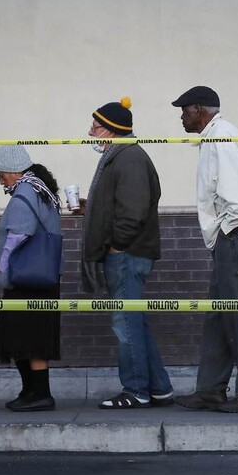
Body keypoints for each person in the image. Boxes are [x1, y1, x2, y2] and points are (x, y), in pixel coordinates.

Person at [171, 86, 238, 413]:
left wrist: (225, 233)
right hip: (234, 235)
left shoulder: (220, 138)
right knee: (220, 315)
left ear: (199, 110)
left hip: (237, 235)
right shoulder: (217, 136)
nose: (181, 117)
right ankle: (211, 389)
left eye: (184, 110)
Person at [80, 97, 174, 409]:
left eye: (96, 126)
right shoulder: (122, 156)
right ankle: (159, 388)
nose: (91, 132)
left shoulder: (129, 158)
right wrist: (88, 209)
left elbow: (132, 211)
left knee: (125, 324)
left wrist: (117, 245)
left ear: (112, 131)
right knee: (134, 321)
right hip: (126, 252)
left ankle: (136, 390)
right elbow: (118, 204)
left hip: (127, 254)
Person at [0, 145, 63, 412]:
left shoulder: (25, 192)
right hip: (43, 277)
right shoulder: (40, 188)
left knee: (27, 339)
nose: (1, 181)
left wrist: (3, 270)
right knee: (29, 339)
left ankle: (39, 394)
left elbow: (18, 235)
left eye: (1, 174)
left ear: (13, 169)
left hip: (26, 279)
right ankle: (31, 392)